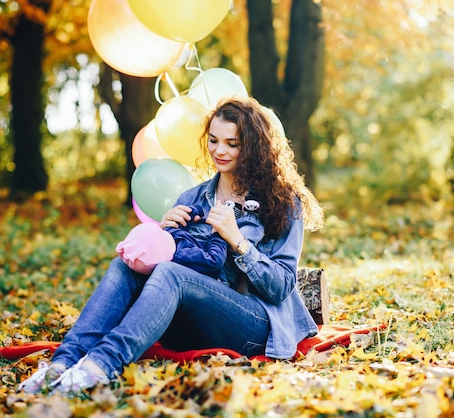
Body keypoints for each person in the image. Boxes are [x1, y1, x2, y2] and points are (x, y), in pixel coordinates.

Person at [18, 96, 325, 394]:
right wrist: (165, 235)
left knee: (170, 274)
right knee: (124, 266)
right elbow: (176, 263)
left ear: (255, 148)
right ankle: (62, 363)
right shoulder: (192, 199)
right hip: (190, 323)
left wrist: (238, 241)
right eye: (214, 140)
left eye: (233, 144)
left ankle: (100, 365)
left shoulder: (283, 202)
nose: (220, 151)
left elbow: (282, 285)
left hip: (255, 326)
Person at [116, 196, 264, 278]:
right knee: (251, 230)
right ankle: (251, 217)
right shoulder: (182, 256)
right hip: (217, 282)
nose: (161, 234)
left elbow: (182, 224)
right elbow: (214, 260)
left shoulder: (170, 234)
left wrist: (195, 212)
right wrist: (217, 233)